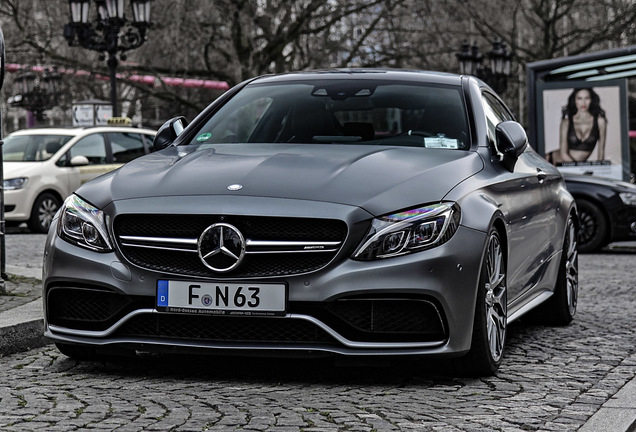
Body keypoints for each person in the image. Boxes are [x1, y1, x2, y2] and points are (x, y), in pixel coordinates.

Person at [557, 87, 607, 163]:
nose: (583, 103)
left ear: (591, 100)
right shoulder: (566, 122)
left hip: (576, 168)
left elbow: (601, 152)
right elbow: (563, 154)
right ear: (574, 100)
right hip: (555, 160)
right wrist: (579, 169)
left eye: (587, 98)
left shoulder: (600, 122)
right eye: (579, 98)